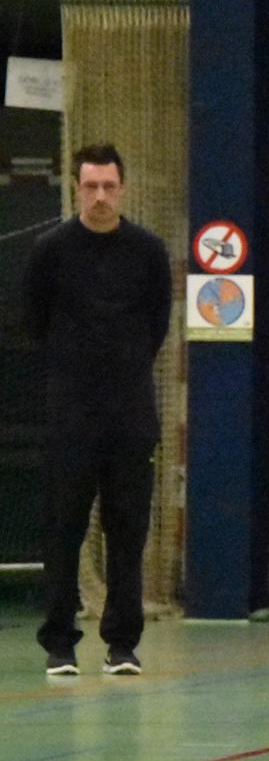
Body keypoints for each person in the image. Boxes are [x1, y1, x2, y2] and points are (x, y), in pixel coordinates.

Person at [21, 144, 171, 677]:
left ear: (123, 189)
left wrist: (122, 367)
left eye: (109, 186)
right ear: (76, 189)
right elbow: (34, 321)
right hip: (71, 417)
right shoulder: (50, 250)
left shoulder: (149, 252)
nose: (101, 196)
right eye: (91, 186)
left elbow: (157, 323)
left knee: (127, 533)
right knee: (64, 530)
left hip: (131, 416)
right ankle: (60, 643)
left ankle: (122, 645)